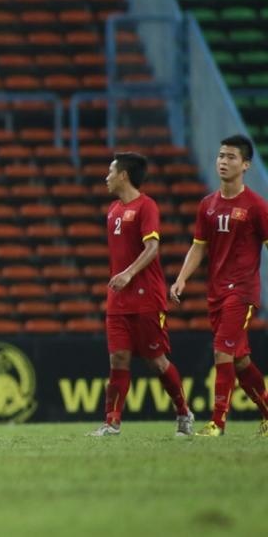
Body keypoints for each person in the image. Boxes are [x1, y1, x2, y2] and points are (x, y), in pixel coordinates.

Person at [89, 152, 194, 437]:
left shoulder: (147, 206)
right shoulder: (113, 210)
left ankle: (183, 411)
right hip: (118, 300)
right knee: (118, 359)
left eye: (111, 172)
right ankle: (112, 422)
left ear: (123, 175)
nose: (106, 177)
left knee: (156, 361)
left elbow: (152, 248)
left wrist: (128, 273)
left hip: (147, 298)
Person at [170, 134, 268, 436]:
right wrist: (182, 278)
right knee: (240, 360)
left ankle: (217, 423)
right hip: (217, 292)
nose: (223, 162)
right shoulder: (207, 205)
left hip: (243, 292)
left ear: (246, 165)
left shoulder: (256, 206)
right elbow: (199, 246)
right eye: (221, 156)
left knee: (222, 353)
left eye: (231, 157)